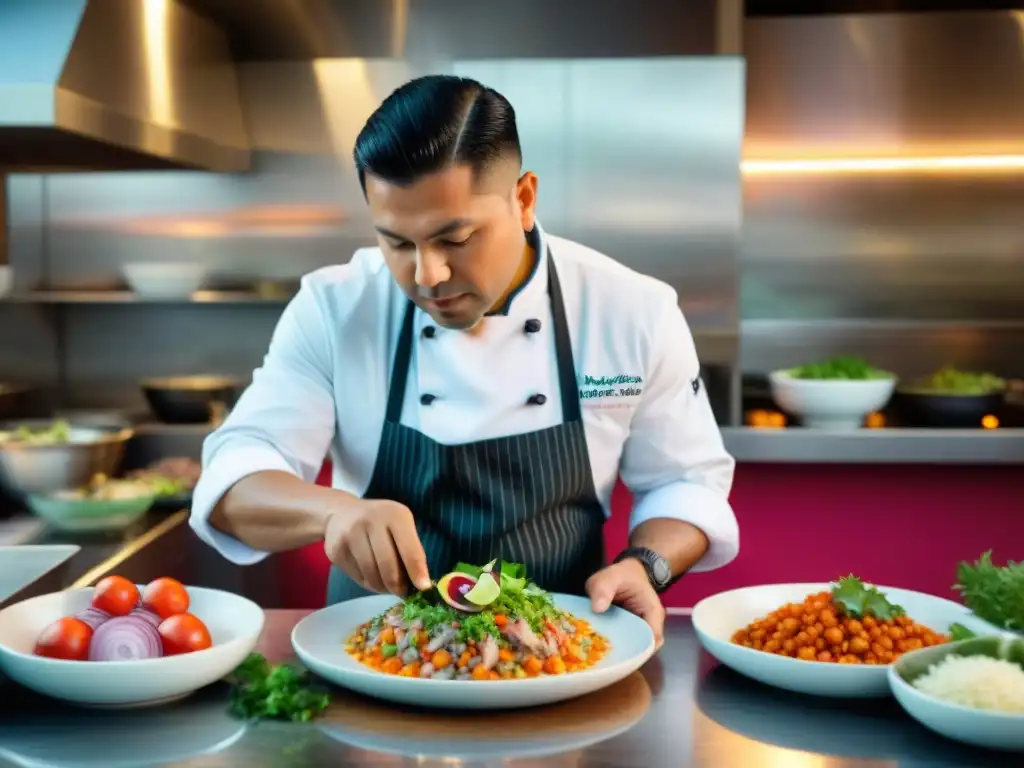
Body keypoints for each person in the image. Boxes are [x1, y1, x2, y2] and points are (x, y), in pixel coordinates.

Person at [189, 74, 739, 646]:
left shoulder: (630, 310)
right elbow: (233, 483)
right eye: (398, 243)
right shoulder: (335, 306)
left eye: (456, 239)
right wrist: (331, 513)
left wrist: (644, 564)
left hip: (555, 661)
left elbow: (684, 482)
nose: (428, 275)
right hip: (375, 660)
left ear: (523, 199)